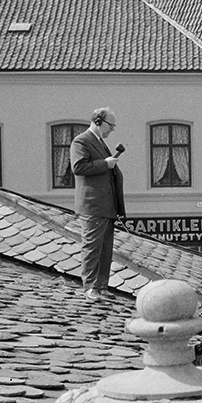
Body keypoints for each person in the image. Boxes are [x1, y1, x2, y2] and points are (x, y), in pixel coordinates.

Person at [70, 106, 125, 302]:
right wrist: (105, 164)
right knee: (92, 247)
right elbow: (78, 167)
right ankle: (90, 287)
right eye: (111, 125)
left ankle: (101, 286)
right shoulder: (81, 141)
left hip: (106, 206)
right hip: (92, 206)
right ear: (99, 122)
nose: (112, 130)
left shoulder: (100, 143)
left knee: (105, 248)